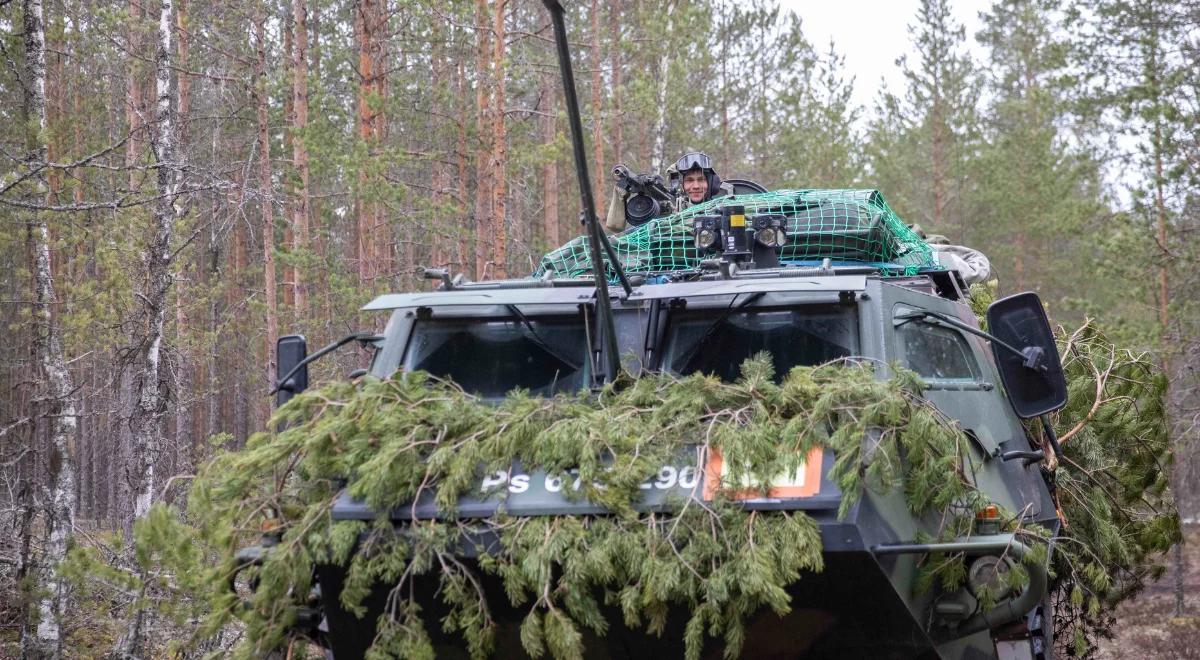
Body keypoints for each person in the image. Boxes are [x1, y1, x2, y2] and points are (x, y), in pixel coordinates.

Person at [605, 151, 731, 232]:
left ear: (712, 184)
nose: (696, 186)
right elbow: (615, 226)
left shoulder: (723, 208)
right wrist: (620, 194)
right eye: (690, 181)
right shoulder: (669, 209)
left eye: (701, 180)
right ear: (681, 185)